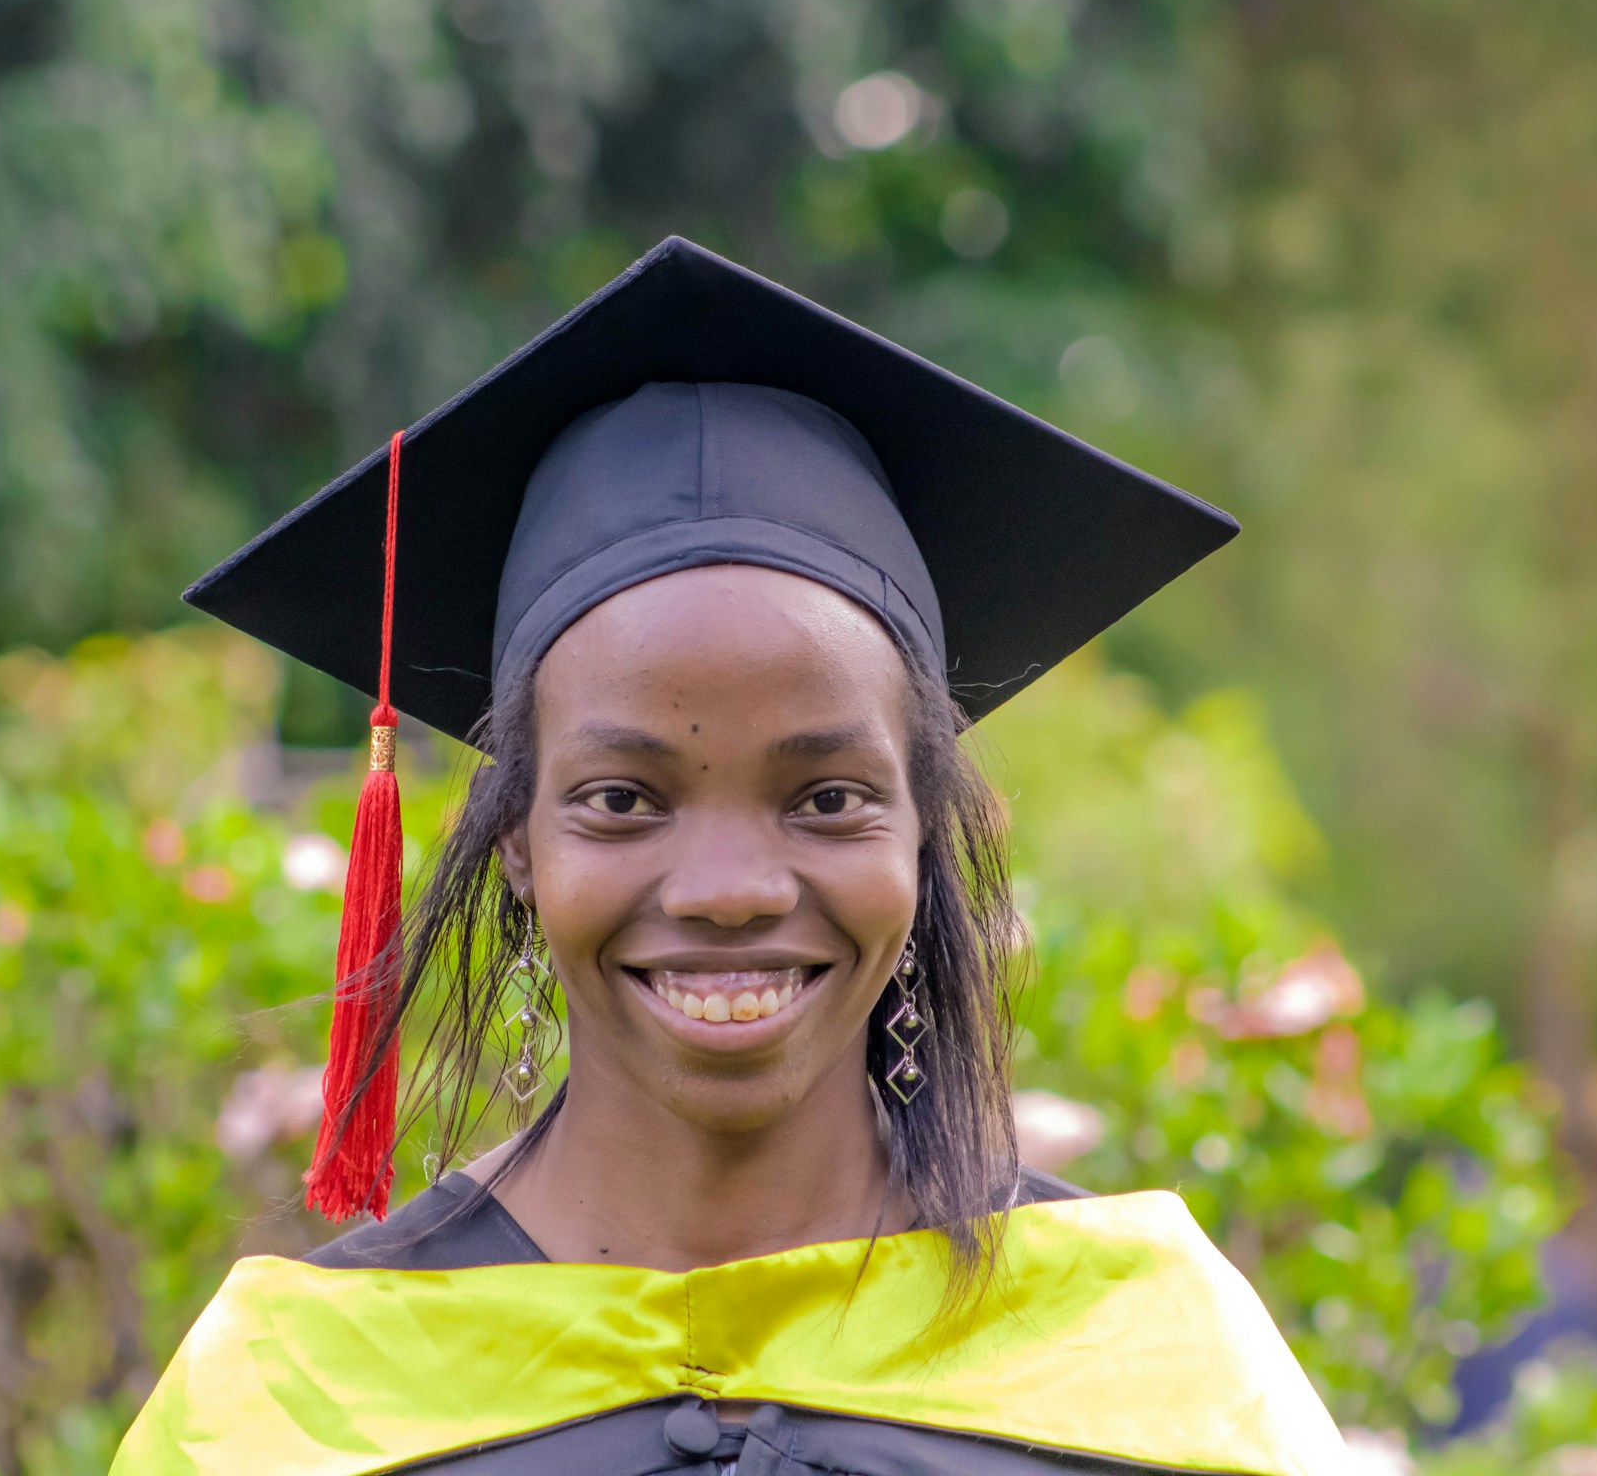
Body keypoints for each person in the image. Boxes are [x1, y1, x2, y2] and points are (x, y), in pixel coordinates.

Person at [111, 239, 1348, 1475]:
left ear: (923, 832)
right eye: (622, 797)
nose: (730, 890)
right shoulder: (294, 1408)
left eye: (825, 797)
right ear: (517, 844)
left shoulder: (1153, 1374)